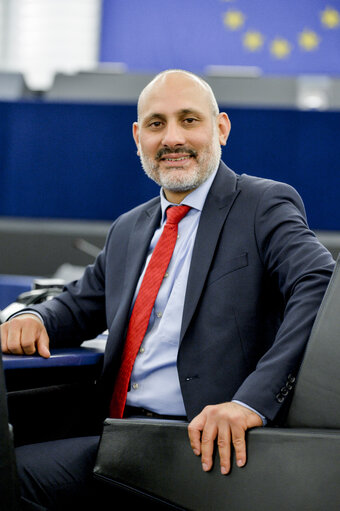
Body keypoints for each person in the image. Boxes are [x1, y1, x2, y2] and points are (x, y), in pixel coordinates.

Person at [0, 69, 335, 510]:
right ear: (138, 137)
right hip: (117, 430)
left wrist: (251, 402)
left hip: (197, 442)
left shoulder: (262, 206)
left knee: (13, 480)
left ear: (221, 129)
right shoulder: (130, 228)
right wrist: (34, 317)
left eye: (189, 120)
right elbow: (81, 303)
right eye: (157, 124)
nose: (172, 137)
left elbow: (319, 287)